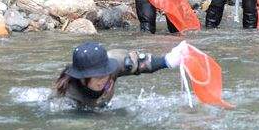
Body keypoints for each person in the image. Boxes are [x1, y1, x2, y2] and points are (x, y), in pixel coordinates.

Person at [53, 41, 183, 109]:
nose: (104, 80)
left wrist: (168, 60)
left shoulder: (115, 62)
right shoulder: (68, 98)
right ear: (82, 78)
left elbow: (140, 63)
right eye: (98, 76)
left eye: (106, 73)